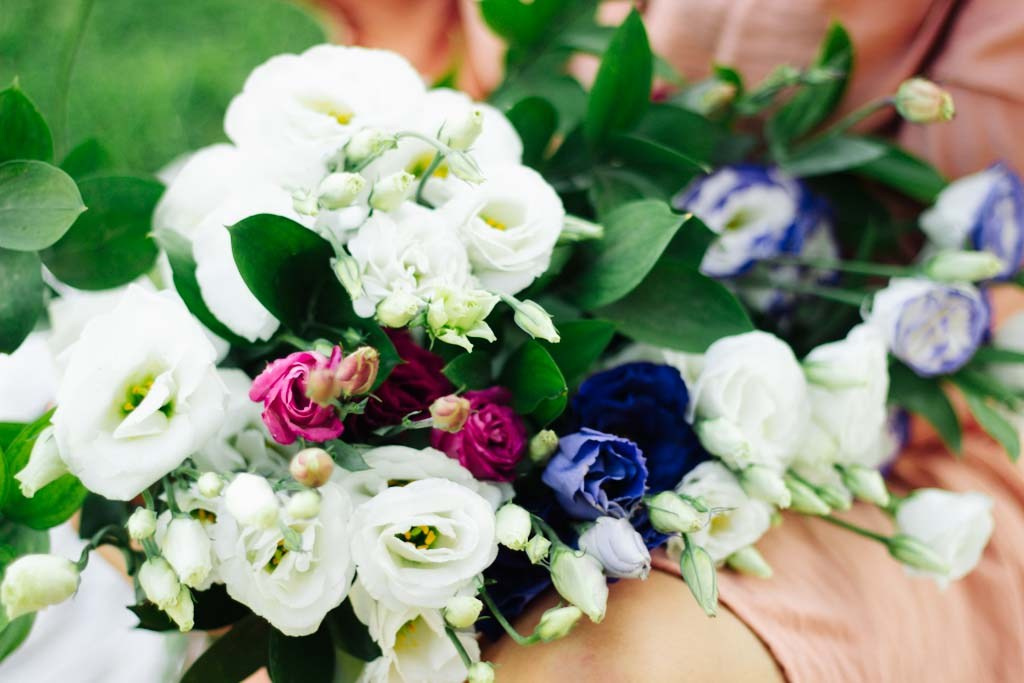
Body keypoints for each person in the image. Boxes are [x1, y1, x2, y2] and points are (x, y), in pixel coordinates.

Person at [299, 1, 1024, 680]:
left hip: (902, 428)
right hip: (522, 323)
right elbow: (419, 43)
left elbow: (990, 229)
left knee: (609, 664)